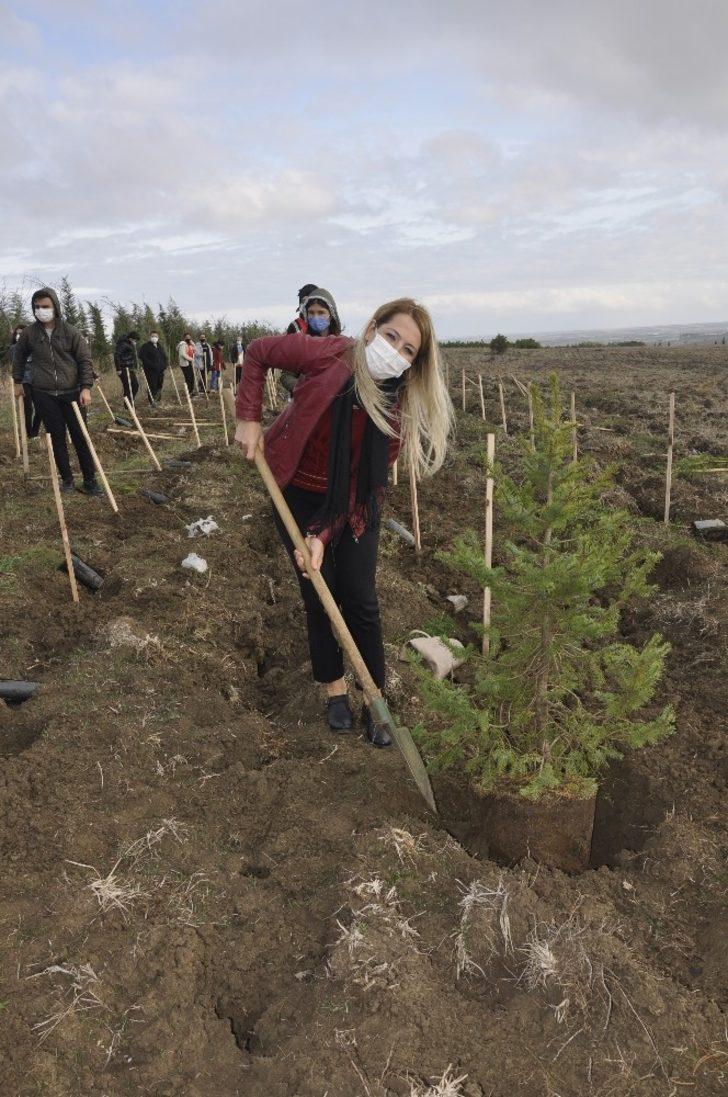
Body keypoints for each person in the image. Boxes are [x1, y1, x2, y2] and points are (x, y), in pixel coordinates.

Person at [235, 298, 452, 746]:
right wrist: (248, 417)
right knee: (318, 588)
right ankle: (334, 689)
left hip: (354, 501)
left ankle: (376, 699)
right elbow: (257, 353)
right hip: (293, 486)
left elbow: (362, 488)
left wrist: (324, 533)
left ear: (415, 364)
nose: (395, 351)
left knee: (360, 599)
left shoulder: (398, 411)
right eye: (392, 336)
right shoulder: (327, 353)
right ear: (372, 329)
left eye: (409, 350)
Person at [12, 286, 101, 495]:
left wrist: (86, 388)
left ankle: (90, 481)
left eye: (45, 306)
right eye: (37, 307)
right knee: (56, 437)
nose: (41, 310)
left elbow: (84, 361)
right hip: (44, 394)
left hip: (72, 393)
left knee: (81, 437)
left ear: (55, 307)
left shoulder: (70, 331)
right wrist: (17, 381)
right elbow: (19, 357)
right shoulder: (29, 333)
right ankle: (67, 480)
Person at [280, 286, 341, 398]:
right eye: (311, 313)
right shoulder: (301, 342)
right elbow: (286, 375)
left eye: (321, 312)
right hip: (305, 404)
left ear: (331, 314)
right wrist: (305, 388)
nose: (316, 317)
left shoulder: (341, 344)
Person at [9, 324, 42, 439]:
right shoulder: (14, 348)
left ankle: (34, 431)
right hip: (24, 381)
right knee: (28, 408)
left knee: (41, 407)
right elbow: (16, 364)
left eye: (22, 333)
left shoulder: (33, 347)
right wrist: (17, 383)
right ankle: (29, 434)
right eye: (17, 333)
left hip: (37, 381)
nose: (19, 335)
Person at [138, 330, 168, 403]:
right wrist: (151, 364)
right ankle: (152, 401)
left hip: (160, 370)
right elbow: (142, 356)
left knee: (159, 385)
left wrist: (164, 365)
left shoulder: (160, 346)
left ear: (158, 337)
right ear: (150, 337)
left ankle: (158, 400)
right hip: (150, 371)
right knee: (152, 386)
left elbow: (164, 357)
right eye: (153, 336)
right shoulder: (146, 346)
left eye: (156, 336)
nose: (154, 337)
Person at [115, 330, 140, 404]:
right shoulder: (123, 344)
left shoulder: (130, 344)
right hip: (123, 368)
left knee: (135, 385)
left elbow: (133, 356)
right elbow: (116, 355)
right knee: (128, 387)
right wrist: (118, 369)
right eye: (135, 340)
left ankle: (129, 403)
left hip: (130, 368)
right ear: (131, 338)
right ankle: (128, 406)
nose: (135, 342)